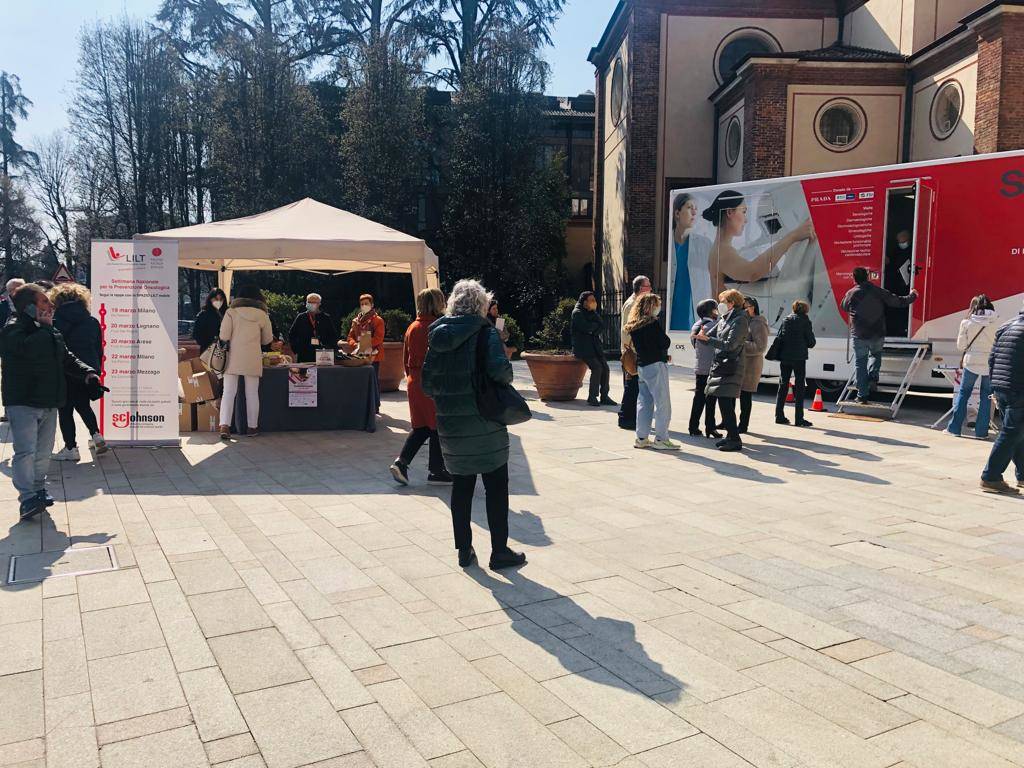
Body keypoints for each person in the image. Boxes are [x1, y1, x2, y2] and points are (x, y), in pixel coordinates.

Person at [421, 279, 526, 570]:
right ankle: (499, 551)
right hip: (485, 421)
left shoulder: (437, 336)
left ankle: (464, 550)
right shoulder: (486, 334)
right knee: (495, 488)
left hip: (451, 425)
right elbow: (502, 375)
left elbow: (427, 384)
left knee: (461, 487)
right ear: (481, 305)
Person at [0, 284, 99, 519]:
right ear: (29, 307)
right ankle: (26, 499)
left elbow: (66, 356)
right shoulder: (13, 329)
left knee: (43, 452)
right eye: (44, 302)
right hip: (24, 401)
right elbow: (30, 350)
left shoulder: (50, 330)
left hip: (49, 400)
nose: (50, 306)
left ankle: (38, 490)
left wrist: (87, 372)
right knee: (25, 452)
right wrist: (45, 328)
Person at [390, 288, 451, 486]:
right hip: (431, 382)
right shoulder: (436, 326)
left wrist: (411, 378)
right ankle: (436, 470)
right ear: (436, 303)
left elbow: (405, 358)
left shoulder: (412, 326)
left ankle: (402, 462)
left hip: (415, 381)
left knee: (421, 427)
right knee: (436, 426)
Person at [703, 191, 815, 298]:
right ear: (729, 212)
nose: (746, 220)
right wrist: (793, 236)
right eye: (743, 212)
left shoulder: (720, 249)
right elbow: (752, 273)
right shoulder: (723, 252)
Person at [840, 266, 918, 403]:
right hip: (877, 332)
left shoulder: (851, 293)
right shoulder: (878, 291)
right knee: (876, 355)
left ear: (854, 279)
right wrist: (913, 295)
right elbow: (898, 301)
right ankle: (873, 378)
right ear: (868, 277)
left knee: (860, 363)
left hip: (859, 334)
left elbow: (844, 306)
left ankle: (862, 395)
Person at [50, 283, 107, 461]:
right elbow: (98, 348)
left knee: (65, 410)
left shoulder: (54, 322)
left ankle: (71, 448)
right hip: (87, 370)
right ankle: (96, 435)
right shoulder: (92, 321)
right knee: (83, 405)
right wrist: (94, 370)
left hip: (64, 370)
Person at [218, 285, 273, 439]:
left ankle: (224, 426)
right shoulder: (262, 314)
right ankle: (252, 427)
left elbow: (224, 335)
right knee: (252, 393)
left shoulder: (231, 312)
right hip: (252, 357)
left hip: (232, 357)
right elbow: (267, 339)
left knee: (228, 392)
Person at [625, 293, 679, 451]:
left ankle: (641, 437)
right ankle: (661, 438)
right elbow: (664, 342)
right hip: (655, 366)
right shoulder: (651, 324)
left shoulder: (634, 325)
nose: (658, 308)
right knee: (663, 404)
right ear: (649, 307)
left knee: (644, 402)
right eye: (656, 304)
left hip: (642, 366)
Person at [698, 289, 749, 452]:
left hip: (731, 365)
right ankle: (730, 436)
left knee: (726, 402)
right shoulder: (724, 319)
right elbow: (709, 337)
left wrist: (708, 339)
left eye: (723, 301)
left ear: (732, 303)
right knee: (723, 401)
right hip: (720, 365)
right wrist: (702, 336)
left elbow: (730, 344)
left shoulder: (740, 320)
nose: (720, 305)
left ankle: (735, 439)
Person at [981, 305, 1024, 494]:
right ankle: (990, 476)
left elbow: (992, 359)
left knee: (1018, 433)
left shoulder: (1006, 326)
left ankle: (1023, 475)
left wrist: (995, 385)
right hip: (1019, 388)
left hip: (1002, 386)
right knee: (1012, 432)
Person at [948, 294, 997, 439]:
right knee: (986, 396)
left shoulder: (966, 322)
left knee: (964, 394)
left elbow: (961, 346)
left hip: (971, 362)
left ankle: (954, 428)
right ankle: (981, 432)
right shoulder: (996, 321)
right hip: (989, 363)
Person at [774, 299, 817, 427]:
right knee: (799, 387)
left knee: (783, 385)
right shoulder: (805, 321)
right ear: (805, 310)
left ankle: (779, 416)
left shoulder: (785, 320)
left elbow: (780, 336)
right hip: (799, 358)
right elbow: (811, 342)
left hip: (785, 357)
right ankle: (799, 419)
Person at [619, 275, 651, 430]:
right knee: (631, 387)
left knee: (633, 386)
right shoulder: (633, 304)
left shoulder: (635, 302)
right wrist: (632, 349)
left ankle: (629, 417)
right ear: (640, 288)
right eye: (648, 286)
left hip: (632, 350)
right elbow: (630, 329)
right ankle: (626, 418)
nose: (650, 289)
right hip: (632, 352)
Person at [571, 291, 615, 407]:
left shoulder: (592, 312)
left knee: (605, 368)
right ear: (584, 302)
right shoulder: (577, 313)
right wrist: (593, 329)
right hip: (583, 348)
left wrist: (593, 329)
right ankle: (592, 396)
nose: (594, 303)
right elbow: (586, 328)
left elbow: (602, 325)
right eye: (591, 300)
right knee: (597, 367)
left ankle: (604, 396)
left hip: (595, 346)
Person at [689, 299, 721, 437]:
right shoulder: (714, 325)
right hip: (710, 367)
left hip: (699, 366)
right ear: (712, 311)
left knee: (698, 398)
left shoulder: (696, 325)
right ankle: (710, 427)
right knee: (711, 400)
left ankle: (693, 426)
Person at [346, 293, 386, 405]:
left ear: (372, 305)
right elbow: (350, 337)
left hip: (374, 355)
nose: (364, 305)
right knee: (361, 381)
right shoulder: (355, 321)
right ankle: (363, 405)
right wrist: (356, 345)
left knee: (373, 381)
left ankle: (375, 405)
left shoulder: (378, 320)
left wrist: (363, 344)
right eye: (362, 304)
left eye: (366, 303)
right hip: (358, 355)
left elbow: (379, 338)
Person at [738, 296, 769, 434]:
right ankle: (728, 422)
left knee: (745, 396)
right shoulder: (744, 321)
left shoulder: (758, 323)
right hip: (740, 363)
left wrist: (739, 344)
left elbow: (760, 347)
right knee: (732, 394)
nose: (745, 309)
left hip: (751, 365)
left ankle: (743, 425)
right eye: (743, 307)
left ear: (754, 307)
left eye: (748, 306)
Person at [0, 278, 25, 423]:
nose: (15, 293)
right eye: (12, 290)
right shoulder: (3, 306)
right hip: (9, 348)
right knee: (8, 379)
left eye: (19, 289)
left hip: (29, 346)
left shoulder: (32, 304)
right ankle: (8, 411)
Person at [288, 292, 338, 363]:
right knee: (304, 373)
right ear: (306, 303)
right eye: (309, 302)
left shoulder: (326, 318)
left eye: (314, 302)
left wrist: (329, 347)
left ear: (319, 304)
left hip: (323, 354)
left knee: (323, 373)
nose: (311, 304)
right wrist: (297, 349)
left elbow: (333, 336)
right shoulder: (301, 317)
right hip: (304, 354)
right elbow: (292, 334)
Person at [193, 288, 227, 354]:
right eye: (216, 299)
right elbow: (196, 334)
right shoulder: (204, 314)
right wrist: (210, 344)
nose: (219, 301)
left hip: (224, 351)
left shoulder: (227, 313)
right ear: (210, 299)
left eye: (221, 299)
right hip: (208, 351)